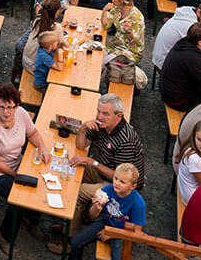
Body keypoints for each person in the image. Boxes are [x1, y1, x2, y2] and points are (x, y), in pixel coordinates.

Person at [52, 93, 145, 245]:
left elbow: (120, 177)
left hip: (119, 186)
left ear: (118, 116)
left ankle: (69, 239)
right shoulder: (102, 125)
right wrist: (82, 129)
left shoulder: (126, 140)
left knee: (80, 191)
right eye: (98, 111)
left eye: (105, 114)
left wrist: (92, 162)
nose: (100, 116)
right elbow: (81, 146)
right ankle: (71, 220)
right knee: (71, 165)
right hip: (104, 172)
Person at [0, 84, 51, 249]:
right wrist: (16, 175)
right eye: (1, 107)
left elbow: (32, 133)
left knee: (38, 182)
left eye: (10, 107)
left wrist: (43, 148)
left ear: (17, 106)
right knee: (19, 197)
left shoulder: (21, 114)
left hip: (13, 162)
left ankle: (30, 219)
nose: (5, 112)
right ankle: (4, 235)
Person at [58, 163, 146, 260]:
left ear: (133, 186)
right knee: (76, 241)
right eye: (115, 178)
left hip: (123, 234)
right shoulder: (107, 190)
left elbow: (137, 232)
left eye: (122, 181)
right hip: (106, 223)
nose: (117, 183)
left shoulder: (138, 203)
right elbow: (92, 217)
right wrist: (96, 208)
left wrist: (112, 234)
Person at [152, 0, 201, 70]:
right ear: (199, 12)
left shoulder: (187, 14)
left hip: (162, 56)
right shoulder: (190, 26)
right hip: (164, 63)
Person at [100, 0, 146, 66]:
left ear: (122, 0)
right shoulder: (116, 9)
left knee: (103, 64)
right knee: (97, 57)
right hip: (115, 45)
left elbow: (137, 42)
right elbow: (105, 26)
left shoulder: (136, 16)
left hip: (131, 50)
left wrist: (128, 31)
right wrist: (104, 11)